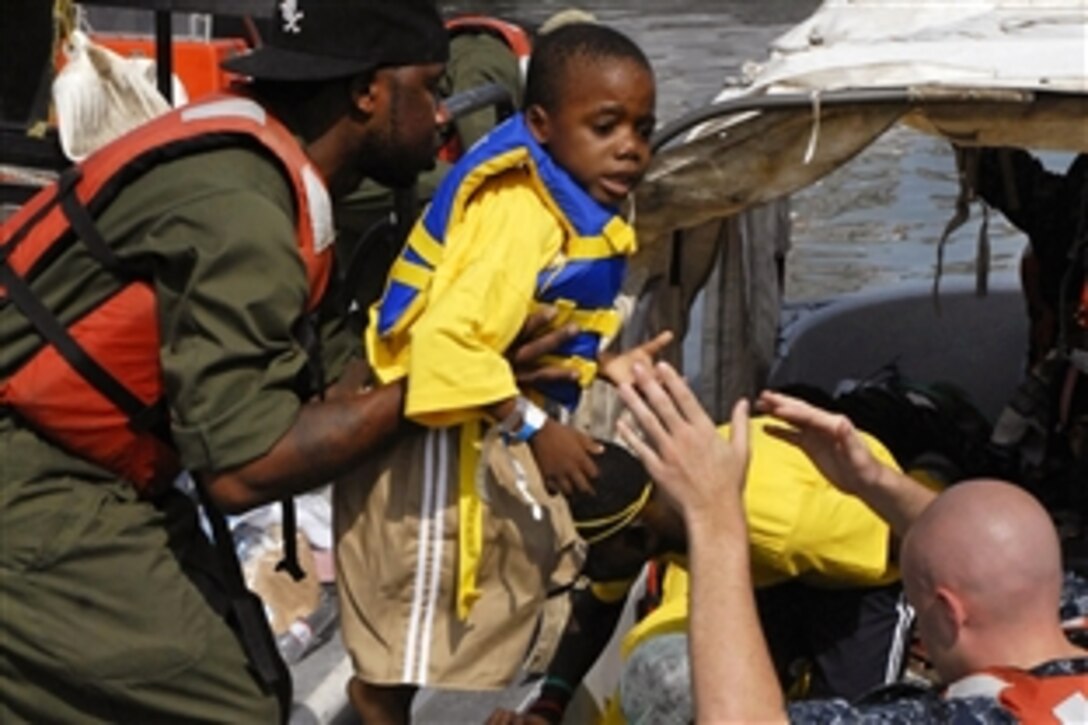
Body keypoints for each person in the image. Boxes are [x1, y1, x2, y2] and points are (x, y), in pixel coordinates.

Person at [0, 2, 576, 721]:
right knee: (231, 701)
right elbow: (243, 468)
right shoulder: (244, 210)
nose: (441, 119)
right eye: (429, 89)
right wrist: (437, 387)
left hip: (103, 474)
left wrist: (470, 352)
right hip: (36, 482)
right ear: (368, 92)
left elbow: (322, 392)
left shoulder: (260, 159)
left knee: (249, 665)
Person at [336, 22, 663, 723]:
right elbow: (449, 342)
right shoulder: (518, 212)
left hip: (471, 417)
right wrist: (536, 426)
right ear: (540, 126)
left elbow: (526, 318)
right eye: (606, 126)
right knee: (406, 641)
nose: (631, 147)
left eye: (643, 127)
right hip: (423, 433)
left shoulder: (560, 199)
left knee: (457, 616)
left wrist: (603, 362)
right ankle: (376, 705)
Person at [616, 363, 1088, 723]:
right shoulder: (1071, 612)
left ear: (947, 614)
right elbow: (988, 553)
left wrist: (715, 517)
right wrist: (872, 480)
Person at [489, 422, 907, 725]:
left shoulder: (781, 527)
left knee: (852, 712)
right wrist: (550, 706)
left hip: (861, 565)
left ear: (638, 539)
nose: (582, 571)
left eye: (586, 558)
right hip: (761, 567)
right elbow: (598, 605)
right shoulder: (644, 516)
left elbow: (916, 539)